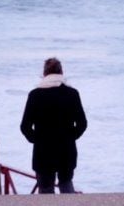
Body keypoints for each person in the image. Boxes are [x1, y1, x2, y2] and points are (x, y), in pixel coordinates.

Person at [20, 58, 87, 194]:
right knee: (66, 185)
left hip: (43, 152)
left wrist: (37, 139)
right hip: (66, 151)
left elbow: (24, 126)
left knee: (45, 190)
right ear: (61, 72)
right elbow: (82, 124)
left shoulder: (35, 95)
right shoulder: (72, 94)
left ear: (44, 74)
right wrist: (70, 137)